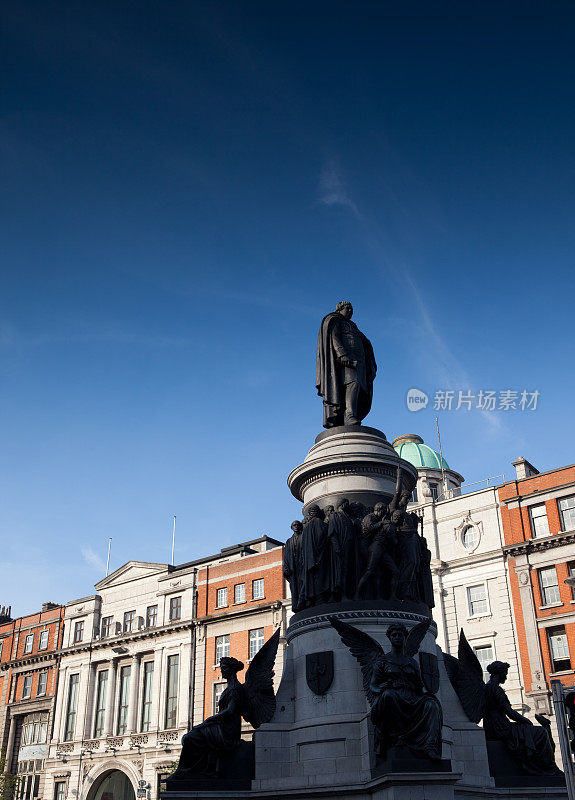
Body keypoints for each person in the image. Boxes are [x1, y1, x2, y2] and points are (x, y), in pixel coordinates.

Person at [369, 623, 442, 759]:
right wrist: (381, 689)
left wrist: (426, 697)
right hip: (393, 695)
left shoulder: (412, 662)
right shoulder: (382, 661)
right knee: (388, 696)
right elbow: (373, 686)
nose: (397, 638)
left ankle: (430, 746)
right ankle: (397, 738)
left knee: (431, 705)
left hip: (412, 697)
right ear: (389, 638)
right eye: (394, 635)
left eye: (400, 635)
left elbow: (420, 686)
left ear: (405, 638)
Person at [172, 657, 244, 777]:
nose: (222, 671)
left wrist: (211, 719)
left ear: (231, 670)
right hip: (221, 726)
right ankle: (190, 770)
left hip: (228, 730)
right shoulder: (229, 688)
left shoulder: (236, 688)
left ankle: (183, 771)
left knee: (191, 737)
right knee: (194, 733)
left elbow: (230, 711)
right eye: (221, 668)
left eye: (224, 668)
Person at [483, 661, 559, 775]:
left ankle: (546, 766)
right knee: (541, 732)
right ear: (499, 673)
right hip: (502, 728)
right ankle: (547, 767)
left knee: (533, 732)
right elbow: (510, 712)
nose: (506, 677)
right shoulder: (495, 689)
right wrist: (526, 720)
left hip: (495, 727)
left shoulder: (486, 688)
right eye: (505, 673)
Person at [316, 301, 377, 427]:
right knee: (352, 384)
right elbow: (334, 337)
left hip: (359, 361)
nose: (350, 312)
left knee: (358, 386)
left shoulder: (353, 326)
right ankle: (349, 415)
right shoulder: (335, 321)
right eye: (348, 309)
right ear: (340, 309)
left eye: (351, 310)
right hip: (345, 361)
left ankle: (350, 413)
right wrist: (342, 354)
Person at [356, 503, 398, 600]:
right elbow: (370, 528)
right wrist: (382, 523)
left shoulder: (380, 520)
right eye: (383, 512)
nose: (383, 514)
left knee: (378, 572)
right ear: (379, 510)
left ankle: (384, 596)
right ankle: (357, 594)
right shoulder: (369, 517)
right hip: (367, 546)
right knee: (370, 571)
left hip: (378, 547)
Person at [328, 497, 360, 600]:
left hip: (349, 548)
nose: (348, 506)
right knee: (342, 571)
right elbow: (332, 533)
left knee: (348, 570)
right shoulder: (335, 516)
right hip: (341, 548)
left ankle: (350, 593)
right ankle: (342, 595)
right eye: (347, 504)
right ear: (343, 505)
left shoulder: (347, 516)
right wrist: (337, 547)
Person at [302, 505, 330, 606]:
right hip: (318, 556)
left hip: (310, 559)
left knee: (313, 579)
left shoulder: (306, 528)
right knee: (321, 577)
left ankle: (311, 599)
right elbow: (322, 536)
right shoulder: (318, 522)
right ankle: (320, 598)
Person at [283, 521, 304, 612]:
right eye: (294, 525)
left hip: (302, 565)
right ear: (291, 528)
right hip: (293, 567)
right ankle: (296, 605)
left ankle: (304, 602)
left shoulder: (303, 537)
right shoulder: (289, 541)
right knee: (294, 588)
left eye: (297, 525)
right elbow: (286, 556)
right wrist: (286, 567)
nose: (296, 527)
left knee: (303, 584)